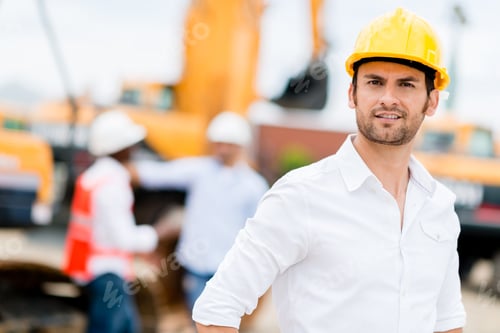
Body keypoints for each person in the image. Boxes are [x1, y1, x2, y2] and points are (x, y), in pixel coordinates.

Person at [193, 8, 466, 333]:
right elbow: (216, 311)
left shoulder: (440, 208)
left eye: (406, 85)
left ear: (432, 101)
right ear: (352, 94)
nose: (388, 99)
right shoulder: (301, 196)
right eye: (375, 82)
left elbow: (447, 323)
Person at [128, 111, 269, 313]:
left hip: (227, 269)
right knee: (198, 317)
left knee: (219, 320)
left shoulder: (253, 185)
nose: (222, 149)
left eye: (228, 144)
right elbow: (163, 173)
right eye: (218, 143)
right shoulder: (201, 171)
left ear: (240, 146)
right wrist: (128, 169)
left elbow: (260, 229)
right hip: (196, 265)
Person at [62, 110, 161, 333]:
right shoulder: (113, 182)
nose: (134, 148)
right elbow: (123, 239)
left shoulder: (93, 176)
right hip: (106, 273)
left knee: (127, 326)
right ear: (122, 147)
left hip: (90, 268)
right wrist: (156, 234)